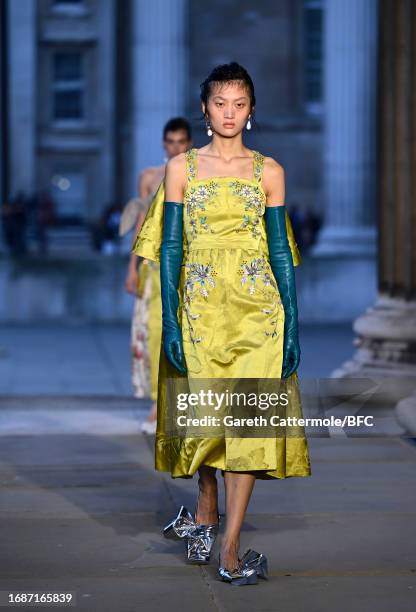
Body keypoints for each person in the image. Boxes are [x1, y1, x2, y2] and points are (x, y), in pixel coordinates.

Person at [132, 62, 311, 585]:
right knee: (206, 424)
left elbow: (279, 249)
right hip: (200, 309)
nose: (229, 113)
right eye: (219, 103)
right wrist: (169, 320)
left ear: (252, 110)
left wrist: (293, 323)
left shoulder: (269, 171)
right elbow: (169, 246)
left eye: (239, 104)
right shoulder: (182, 168)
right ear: (205, 108)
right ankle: (205, 507)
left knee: (249, 426)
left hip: (260, 314)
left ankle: (229, 547)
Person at [123, 118, 192, 434]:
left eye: (181, 141)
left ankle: (180, 403)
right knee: (153, 333)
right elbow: (141, 223)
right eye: (171, 141)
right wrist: (132, 268)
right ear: (164, 143)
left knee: (188, 334)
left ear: (189, 143)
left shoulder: (200, 172)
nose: (175, 147)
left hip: (188, 266)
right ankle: (157, 403)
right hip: (153, 265)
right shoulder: (149, 177)